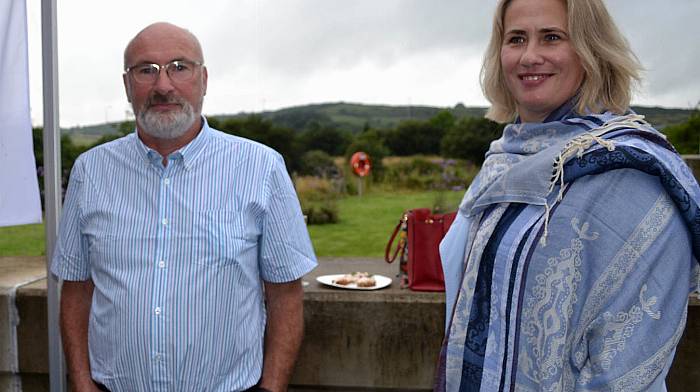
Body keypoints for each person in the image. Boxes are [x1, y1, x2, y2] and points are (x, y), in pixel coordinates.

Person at [436, 0, 700, 391]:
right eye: (516, 39)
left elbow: (626, 368)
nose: (529, 56)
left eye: (552, 37)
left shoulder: (630, 174)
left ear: (590, 50)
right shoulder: (503, 161)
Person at [51, 22, 317, 392]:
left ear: (203, 79)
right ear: (127, 85)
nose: (163, 85)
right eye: (146, 70)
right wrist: (80, 382)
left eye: (179, 66)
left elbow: (286, 293)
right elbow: (77, 288)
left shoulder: (261, 167)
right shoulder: (90, 171)